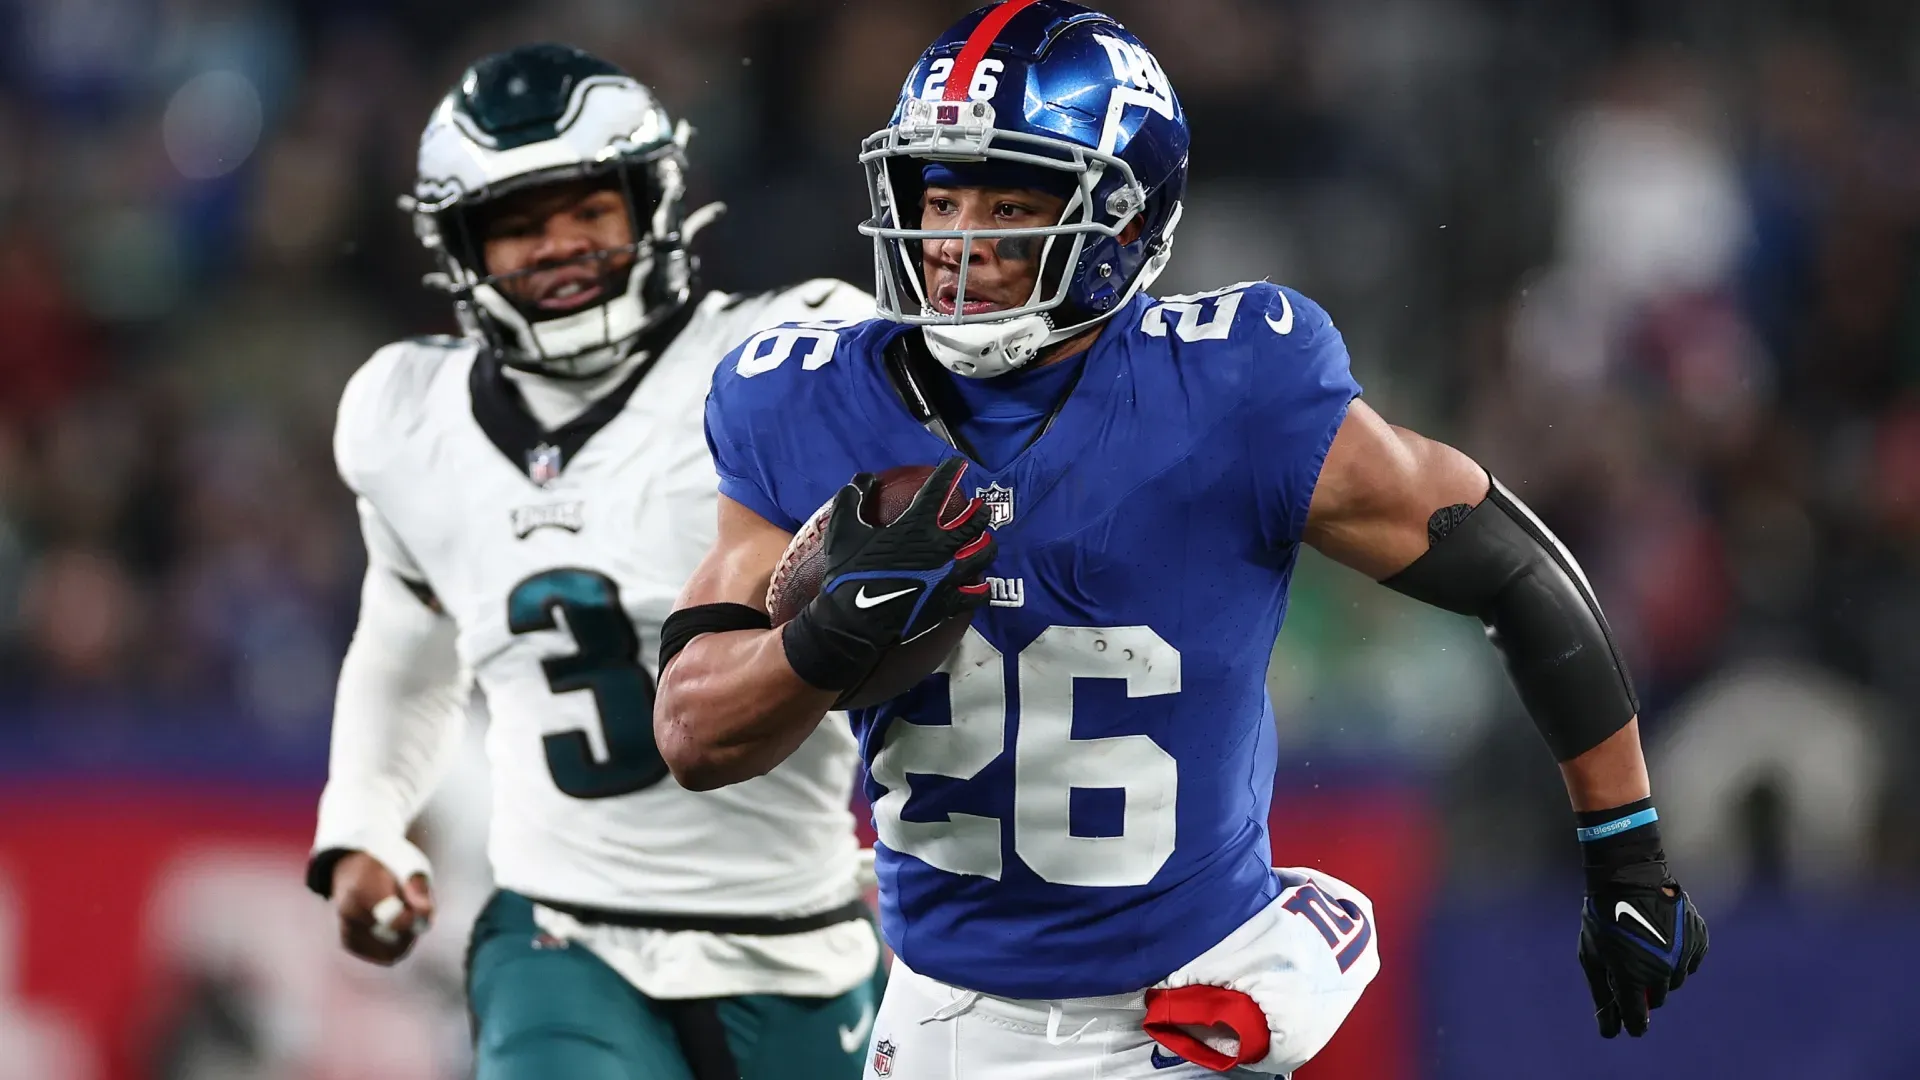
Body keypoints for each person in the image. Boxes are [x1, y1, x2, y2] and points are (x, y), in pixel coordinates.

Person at [653, 3, 1710, 1077]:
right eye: (940, 196)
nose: (959, 241)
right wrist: (825, 638)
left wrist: (1626, 852)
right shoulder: (803, 399)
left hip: (1180, 1014)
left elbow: (1514, 571)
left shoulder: (1236, 389)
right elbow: (692, 732)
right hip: (941, 1016)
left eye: (1010, 202)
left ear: (1120, 224)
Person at [306, 44, 879, 1080]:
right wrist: (362, 821)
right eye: (519, 224)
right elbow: (406, 644)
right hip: (563, 933)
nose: (560, 245)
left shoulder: (785, 357)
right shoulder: (408, 415)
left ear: (651, 204)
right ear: (460, 246)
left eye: (588, 210)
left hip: (801, 930)